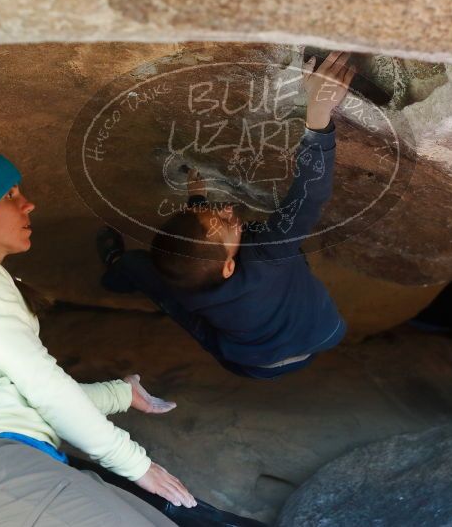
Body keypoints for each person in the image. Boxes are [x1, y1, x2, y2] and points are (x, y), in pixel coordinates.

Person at [0, 145, 197, 526]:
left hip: (2, 467)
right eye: (10, 195)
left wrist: (120, 393)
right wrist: (136, 464)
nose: (29, 205)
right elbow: (42, 383)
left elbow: (26, 392)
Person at [99, 51, 355, 379]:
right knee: (286, 252)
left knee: (143, 269)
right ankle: (117, 269)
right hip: (320, 335)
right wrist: (318, 112)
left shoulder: (191, 285)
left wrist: (197, 200)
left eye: (212, 213)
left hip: (250, 361)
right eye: (225, 224)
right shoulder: (269, 255)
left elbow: (195, 248)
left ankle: (115, 270)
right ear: (229, 266)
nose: (228, 211)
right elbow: (309, 196)